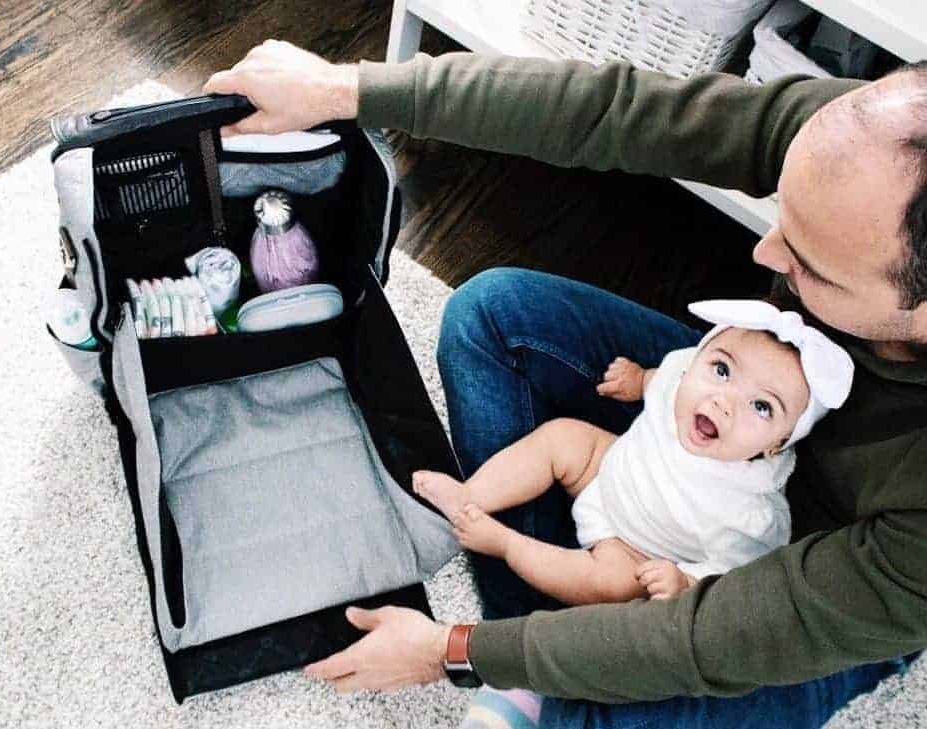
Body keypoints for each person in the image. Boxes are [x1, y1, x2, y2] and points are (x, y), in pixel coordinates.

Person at [203, 40, 927, 728]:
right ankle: (553, 643)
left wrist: (451, 652)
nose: (765, 252)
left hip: (830, 570)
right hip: (745, 400)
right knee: (492, 314)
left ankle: (544, 656)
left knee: (642, 694)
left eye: (809, 263)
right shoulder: (873, 143)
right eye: (783, 217)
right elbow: (613, 109)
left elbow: (700, 641)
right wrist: (344, 89)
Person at [413, 299, 853, 608]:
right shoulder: (684, 374)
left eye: (762, 407)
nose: (725, 401)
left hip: (634, 549)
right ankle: (470, 496)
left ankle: (507, 545)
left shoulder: (750, 513)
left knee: (612, 586)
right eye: (721, 370)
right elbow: (668, 377)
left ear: (778, 443)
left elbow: (734, 578)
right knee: (563, 438)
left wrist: (685, 582)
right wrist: (640, 379)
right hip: (610, 469)